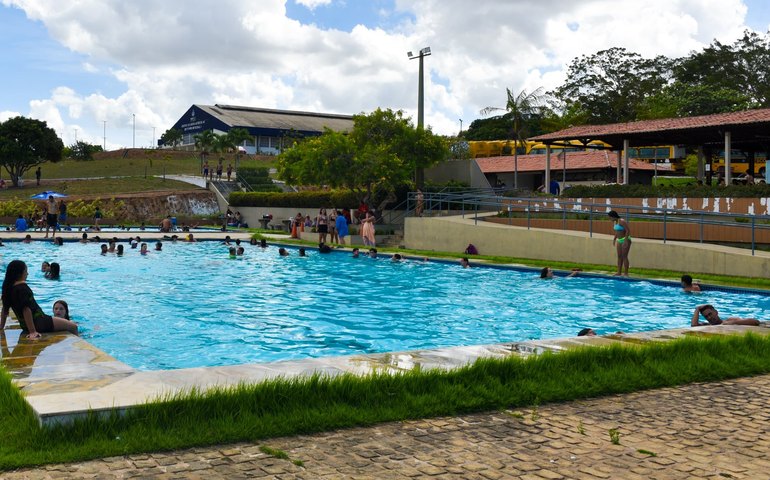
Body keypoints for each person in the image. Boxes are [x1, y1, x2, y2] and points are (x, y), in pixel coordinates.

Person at [1, 260, 78, 337]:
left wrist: (1, 326)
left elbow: (5, 309)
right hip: (40, 322)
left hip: (25, 325)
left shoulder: (8, 289)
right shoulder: (23, 288)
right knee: (73, 327)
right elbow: (26, 309)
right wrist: (32, 331)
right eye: (26, 271)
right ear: (19, 273)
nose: (27, 274)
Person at [691, 304, 761, 327]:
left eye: (710, 314)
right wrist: (697, 309)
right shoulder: (707, 325)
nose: (709, 317)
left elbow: (755, 322)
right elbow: (694, 325)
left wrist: (731, 323)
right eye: (706, 316)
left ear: (716, 312)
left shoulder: (729, 320)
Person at [608, 210, 631, 276]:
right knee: (619, 256)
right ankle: (619, 272)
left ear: (613, 216)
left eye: (610, 217)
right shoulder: (615, 222)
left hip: (625, 239)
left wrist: (626, 241)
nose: (610, 219)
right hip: (619, 240)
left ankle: (626, 273)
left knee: (624, 256)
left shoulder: (622, 221)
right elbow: (617, 231)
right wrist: (614, 239)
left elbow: (628, 230)